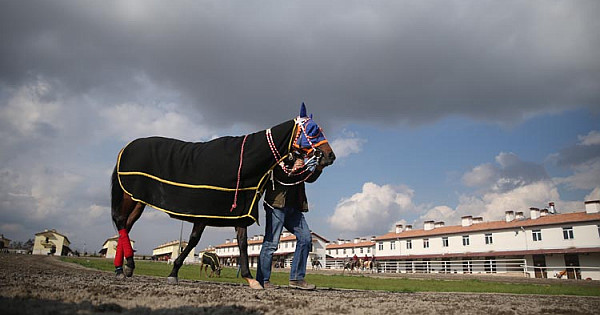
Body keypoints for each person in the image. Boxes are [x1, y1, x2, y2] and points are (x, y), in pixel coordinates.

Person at [256, 155, 322, 290]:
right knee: (271, 243)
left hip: (294, 207)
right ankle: (262, 280)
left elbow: (308, 178)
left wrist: (320, 167)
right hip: (276, 205)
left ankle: (297, 278)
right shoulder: (278, 153)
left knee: (306, 239)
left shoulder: (301, 155)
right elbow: (278, 175)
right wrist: (292, 168)